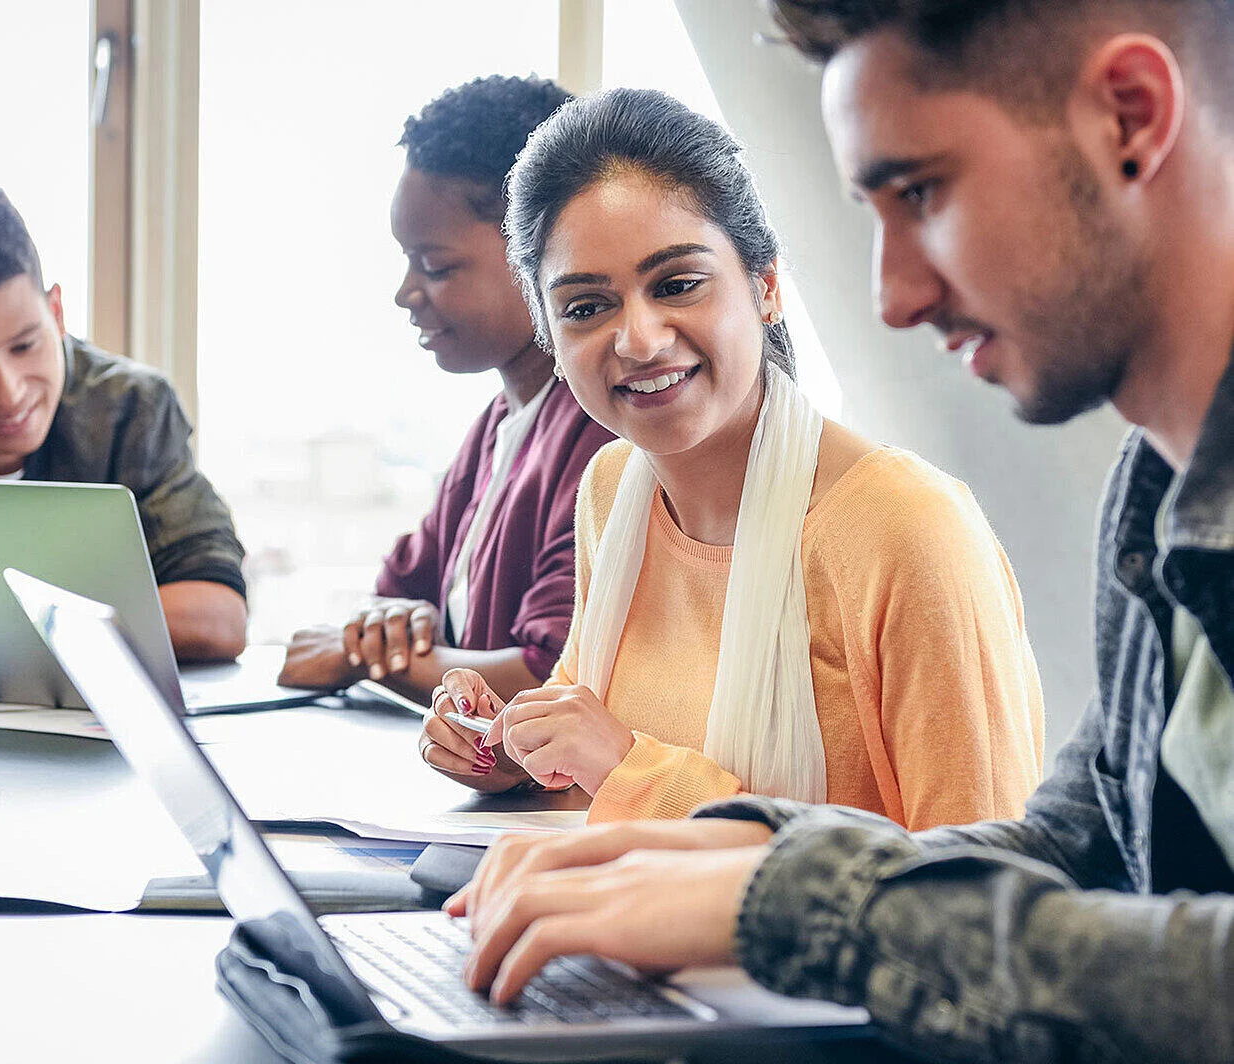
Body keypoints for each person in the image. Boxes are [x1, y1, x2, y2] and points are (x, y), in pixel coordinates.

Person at [440, 3, 1234, 1060]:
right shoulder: (1153, 487)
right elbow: (1070, 849)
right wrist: (704, 863)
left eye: (924, 193)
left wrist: (795, 903)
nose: (892, 296)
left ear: (1132, 118)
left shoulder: (909, 521)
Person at [423, 88, 1046, 820]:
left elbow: (977, 893)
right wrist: (507, 748)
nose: (641, 340)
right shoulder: (613, 489)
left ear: (768, 287)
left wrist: (632, 769)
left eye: (678, 284)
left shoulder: (907, 531)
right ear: (551, 340)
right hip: (617, 925)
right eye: (586, 307)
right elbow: (589, 751)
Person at [279, 76, 615, 706]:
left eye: (434, 265)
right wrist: (381, 637)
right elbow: (397, 596)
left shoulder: (602, 432)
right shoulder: (497, 424)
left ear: (537, 249)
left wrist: (359, 657)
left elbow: (550, 676)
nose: (406, 291)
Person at [0, 182, 246, 662]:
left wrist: (11, 625)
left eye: (24, 346)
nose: (8, 391)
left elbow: (219, 615)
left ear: (56, 312)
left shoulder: (131, 408)